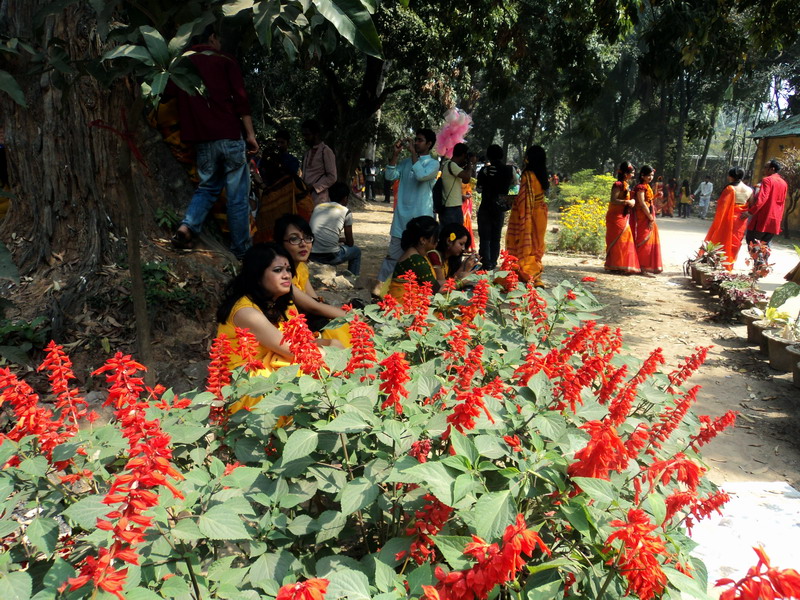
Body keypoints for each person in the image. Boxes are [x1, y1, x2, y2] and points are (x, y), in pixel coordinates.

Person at [216, 243, 342, 412]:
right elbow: (292, 350)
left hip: (278, 361)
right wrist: (330, 351)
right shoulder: (246, 312)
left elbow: (303, 341)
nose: (286, 275)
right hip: (249, 380)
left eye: (288, 270)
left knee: (337, 342)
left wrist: (331, 344)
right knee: (323, 361)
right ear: (257, 275)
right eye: (277, 270)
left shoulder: (284, 303)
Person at [169, 25, 259, 258]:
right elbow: (241, 101)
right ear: (212, 37)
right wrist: (250, 135)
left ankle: (187, 226)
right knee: (237, 198)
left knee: (207, 187)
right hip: (229, 135)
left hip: (202, 139)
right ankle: (240, 250)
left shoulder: (180, 65)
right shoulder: (224, 60)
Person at [376, 129, 439, 286]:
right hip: (401, 219)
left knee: (420, 258)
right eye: (415, 140)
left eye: (419, 140)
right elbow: (389, 177)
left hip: (421, 223)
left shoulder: (433, 164)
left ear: (429, 144)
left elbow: (421, 175)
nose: (416, 143)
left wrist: (413, 154)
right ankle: (380, 291)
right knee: (392, 259)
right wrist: (395, 155)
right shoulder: (405, 162)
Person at [273, 214, 349, 334]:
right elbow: (313, 307)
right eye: (294, 239)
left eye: (307, 237)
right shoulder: (281, 276)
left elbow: (314, 300)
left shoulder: (301, 267)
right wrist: (356, 318)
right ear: (280, 243)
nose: (303, 244)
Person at [504, 145, 550, 287]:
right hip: (540, 213)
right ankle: (536, 274)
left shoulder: (526, 175)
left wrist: (508, 196)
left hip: (527, 214)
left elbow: (517, 193)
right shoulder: (543, 176)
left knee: (525, 244)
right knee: (536, 244)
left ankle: (526, 273)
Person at [700, 166, 753, 271]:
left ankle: (719, 264)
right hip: (741, 220)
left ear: (731, 176)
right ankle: (729, 265)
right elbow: (751, 205)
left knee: (722, 241)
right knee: (735, 243)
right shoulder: (749, 190)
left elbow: (722, 206)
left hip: (728, 219)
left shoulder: (729, 188)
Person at [309, 181, 361, 276]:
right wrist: (343, 240)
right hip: (331, 256)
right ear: (345, 198)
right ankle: (353, 277)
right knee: (356, 251)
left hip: (311, 253)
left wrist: (339, 239)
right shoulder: (346, 212)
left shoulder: (318, 207)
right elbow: (350, 243)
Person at [476, 144, 515, 270]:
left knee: (485, 236)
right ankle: (493, 261)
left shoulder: (484, 171)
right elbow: (516, 183)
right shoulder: (510, 170)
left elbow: (478, 190)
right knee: (496, 235)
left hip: (485, 206)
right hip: (500, 206)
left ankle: (486, 262)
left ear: (488, 156)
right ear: (502, 155)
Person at [388, 216, 440, 301]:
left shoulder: (412, 253)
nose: (437, 241)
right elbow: (436, 289)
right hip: (405, 306)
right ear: (423, 240)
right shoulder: (416, 260)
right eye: (435, 238)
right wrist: (461, 282)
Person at [604, 161, 640, 274]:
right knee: (618, 239)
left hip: (623, 216)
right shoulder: (618, 185)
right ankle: (614, 265)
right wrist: (627, 202)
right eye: (632, 173)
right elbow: (613, 200)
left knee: (624, 239)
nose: (633, 175)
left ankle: (622, 265)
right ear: (625, 173)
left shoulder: (626, 185)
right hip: (615, 216)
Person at [743, 159, 788, 246]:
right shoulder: (784, 183)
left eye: (765, 167)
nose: (763, 169)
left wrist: (750, 212)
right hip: (775, 220)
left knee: (752, 242)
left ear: (772, 169)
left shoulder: (767, 180)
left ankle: (759, 259)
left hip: (763, 218)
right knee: (764, 246)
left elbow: (762, 198)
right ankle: (762, 259)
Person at [632, 165, 663, 276]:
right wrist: (649, 216)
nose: (651, 177)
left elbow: (648, 200)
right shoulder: (640, 187)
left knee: (648, 240)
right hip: (642, 216)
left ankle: (643, 266)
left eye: (652, 175)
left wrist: (656, 196)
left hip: (648, 214)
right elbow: (642, 202)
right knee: (643, 240)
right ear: (642, 175)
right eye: (648, 175)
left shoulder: (647, 186)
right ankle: (640, 265)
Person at [301, 119, 337, 206]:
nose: (305, 138)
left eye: (307, 135)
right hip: (306, 197)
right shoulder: (308, 153)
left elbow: (332, 177)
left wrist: (314, 187)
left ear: (316, 134)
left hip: (319, 198)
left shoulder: (326, 151)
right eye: (304, 135)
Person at [440, 143, 475, 227]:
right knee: (455, 234)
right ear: (463, 155)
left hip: (447, 206)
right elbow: (466, 179)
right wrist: (470, 164)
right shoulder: (452, 165)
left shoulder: (447, 164)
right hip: (452, 208)